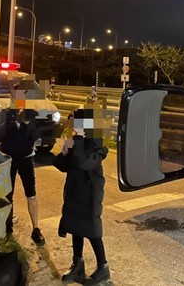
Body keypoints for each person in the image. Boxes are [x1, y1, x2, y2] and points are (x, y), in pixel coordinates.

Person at [53, 121, 110, 285]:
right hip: (74, 190)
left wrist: (75, 141)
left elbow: (82, 163)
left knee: (91, 228)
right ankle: (77, 264)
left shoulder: (95, 142)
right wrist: (63, 153)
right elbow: (63, 166)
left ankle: (103, 267)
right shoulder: (76, 140)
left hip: (90, 192)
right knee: (75, 226)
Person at [0, 108, 45, 245]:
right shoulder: (3, 114)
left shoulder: (32, 114)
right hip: (8, 159)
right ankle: (7, 227)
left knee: (31, 194)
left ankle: (36, 229)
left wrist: (28, 124)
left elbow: (36, 137)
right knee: (7, 194)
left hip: (26, 159)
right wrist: (8, 122)